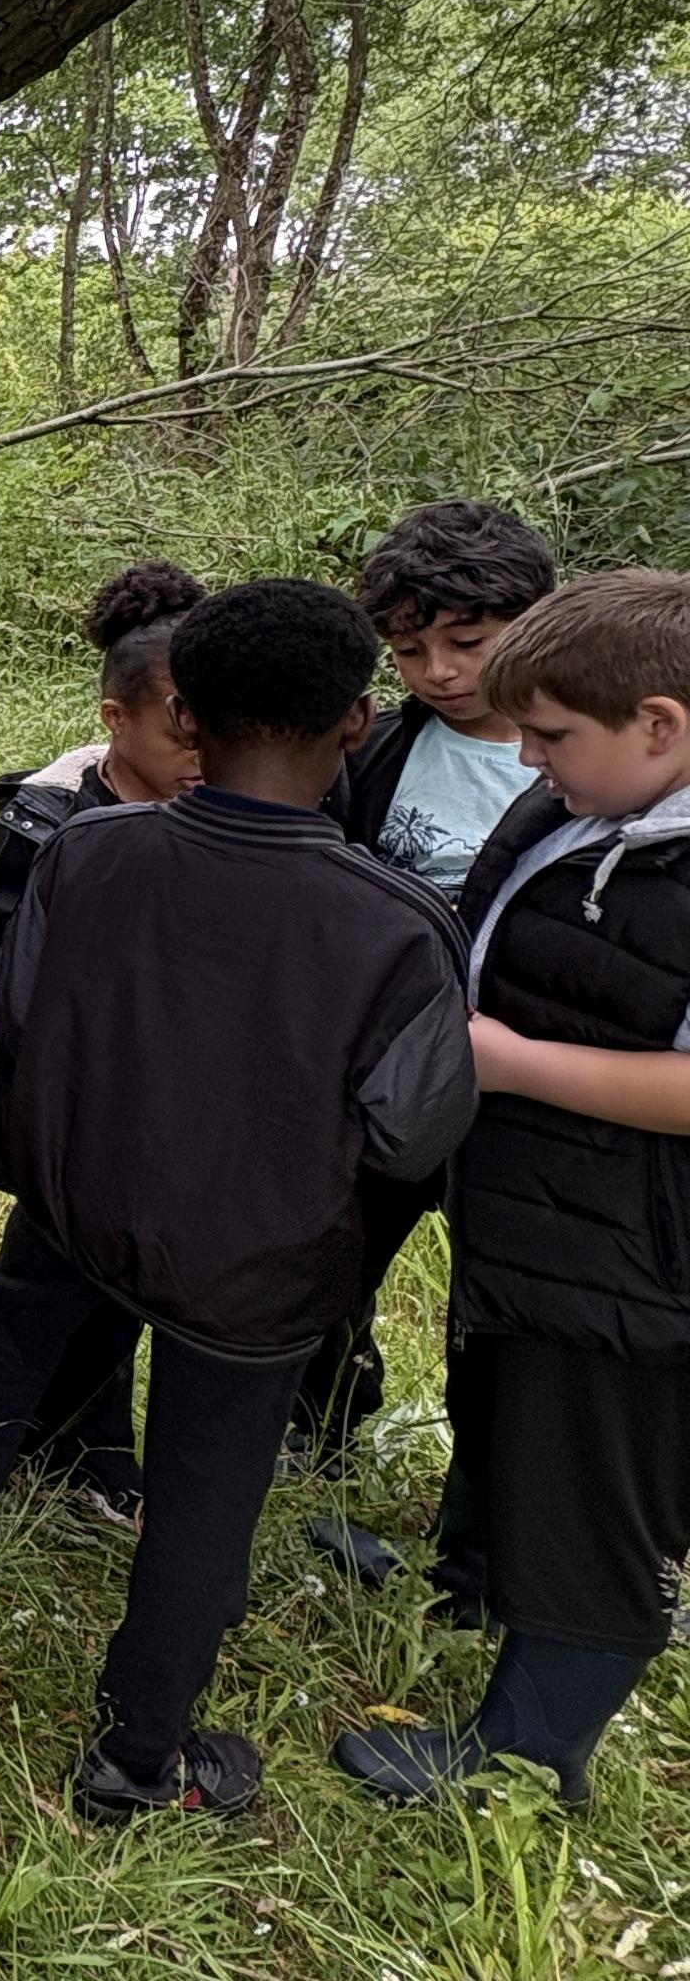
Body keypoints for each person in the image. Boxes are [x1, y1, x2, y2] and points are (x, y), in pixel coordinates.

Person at [0, 580, 475, 1821]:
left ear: (187, 715)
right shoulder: (398, 925)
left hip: (84, 1198)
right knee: (206, 1499)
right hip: (260, 1264)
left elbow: (18, 1013)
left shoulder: (88, 850)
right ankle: (135, 1760)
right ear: (357, 723)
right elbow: (413, 1133)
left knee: (10, 1335)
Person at [339, 571, 690, 1812]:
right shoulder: (585, 805)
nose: (527, 759)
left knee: (595, 1473)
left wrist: (509, 1060)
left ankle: (531, 1750)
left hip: (637, 1246)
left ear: (661, 725)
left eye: (551, 736)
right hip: (539, 1210)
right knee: (514, 1409)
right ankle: (475, 1578)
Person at [0, 562, 205, 1568]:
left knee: (120, 1295)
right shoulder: (52, 814)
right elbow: (7, 966)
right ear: (116, 719)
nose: (201, 755)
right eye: (180, 734)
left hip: (172, 1122)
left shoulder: (223, 809)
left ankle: (89, 1450)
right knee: (30, 1301)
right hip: (73, 1116)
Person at [293, 500, 558, 1489]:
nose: (439, 671)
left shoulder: (583, 763)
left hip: (516, 1075)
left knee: (498, 1290)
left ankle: (492, 1490)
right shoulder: (377, 750)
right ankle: (315, 1434)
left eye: (468, 643)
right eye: (409, 651)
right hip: (383, 1066)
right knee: (335, 1254)